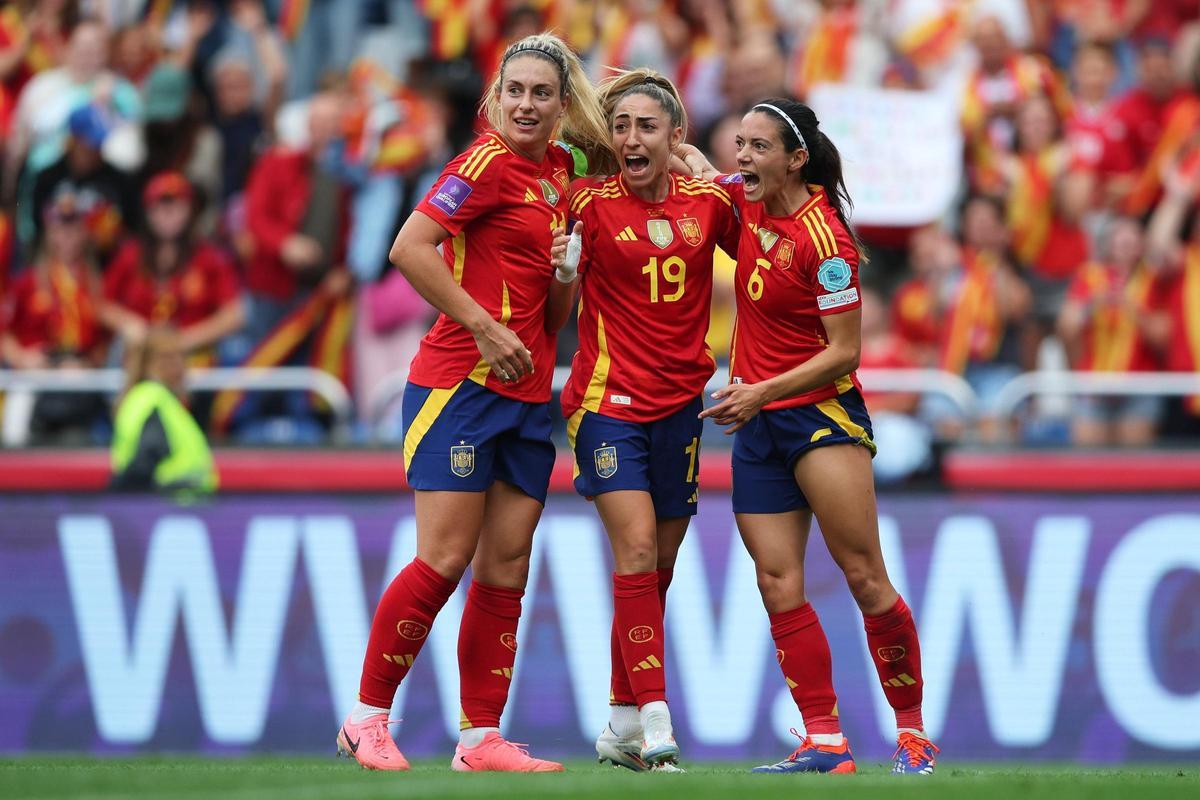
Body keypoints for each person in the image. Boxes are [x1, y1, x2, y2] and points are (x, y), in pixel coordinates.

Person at [337, 32, 611, 773]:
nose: (525, 104)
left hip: (526, 397)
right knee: (445, 556)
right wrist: (485, 328)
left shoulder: (559, 174)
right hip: (459, 385)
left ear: (560, 105)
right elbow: (408, 247)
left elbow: (554, 321)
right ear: (497, 97)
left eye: (540, 93)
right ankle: (365, 717)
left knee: (505, 566)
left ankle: (479, 738)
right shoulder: (481, 164)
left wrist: (567, 273)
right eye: (514, 90)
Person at [678, 98, 938, 775]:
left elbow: (845, 352)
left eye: (758, 146)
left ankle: (912, 735)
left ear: (796, 158)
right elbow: (704, 174)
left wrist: (761, 390)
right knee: (775, 580)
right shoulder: (748, 198)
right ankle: (826, 741)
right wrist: (649, 122)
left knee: (864, 579)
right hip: (757, 422)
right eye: (740, 144)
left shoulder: (828, 244)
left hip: (819, 418)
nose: (743, 157)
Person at [553, 68, 739, 772]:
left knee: (654, 574)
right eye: (621, 127)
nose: (631, 138)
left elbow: (762, 260)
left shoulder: (707, 203)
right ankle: (659, 726)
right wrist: (562, 275)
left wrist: (711, 172)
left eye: (647, 127)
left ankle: (620, 720)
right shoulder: (588, 204)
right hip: (606, 406)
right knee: (634, 556)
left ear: (674, 138)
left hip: (680, 410)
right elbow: (552, 304)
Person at [99, 171, 245, 365]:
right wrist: (131, 325)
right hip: (140, 355)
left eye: (176, 205)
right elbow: (102, 303)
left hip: (193, 357)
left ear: (190, 210)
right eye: (160, 206)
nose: (167, 214)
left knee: (236, 350)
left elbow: (234, 314)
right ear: (148, 212)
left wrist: (187, 339)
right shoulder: (130, 254)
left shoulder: (210, 258)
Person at [110, 324, 217, 495]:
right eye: (167, 357)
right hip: (167, 507)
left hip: (182, 510)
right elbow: (143, 463)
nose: (177, 365)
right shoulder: (151, 399)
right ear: (146, 362)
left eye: (181, 356)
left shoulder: (164, 400)